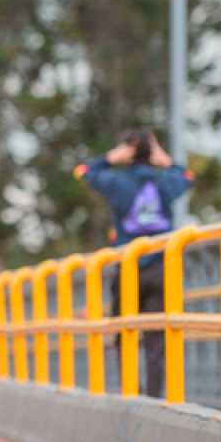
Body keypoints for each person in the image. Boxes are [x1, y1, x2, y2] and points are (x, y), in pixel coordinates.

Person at [76, 129, 193, 398]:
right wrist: (163, 158)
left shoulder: (116, 182)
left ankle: (131, 391)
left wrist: (110, 156)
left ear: (126, 153)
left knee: (123, 332)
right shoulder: (165, 183)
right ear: (151, 153)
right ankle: (154, 397)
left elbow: (82, 171)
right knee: (156, 338)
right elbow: (188, 176)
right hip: (161, 269)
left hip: (128, 269)